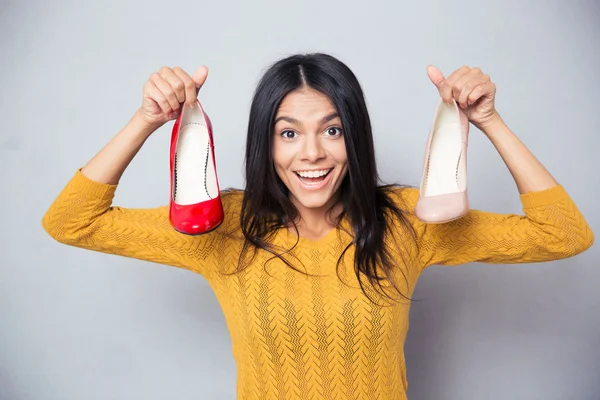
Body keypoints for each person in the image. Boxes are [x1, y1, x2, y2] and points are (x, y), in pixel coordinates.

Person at [42, 53, 594, 399]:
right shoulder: (223, 229)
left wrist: (488, 120)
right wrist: (146, 120)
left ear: (355, 136)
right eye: (288, 133)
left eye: (332, 130)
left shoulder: (403, 222)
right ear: (266, 141)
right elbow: (70, 221)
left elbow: (563, 235)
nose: (312, 153)